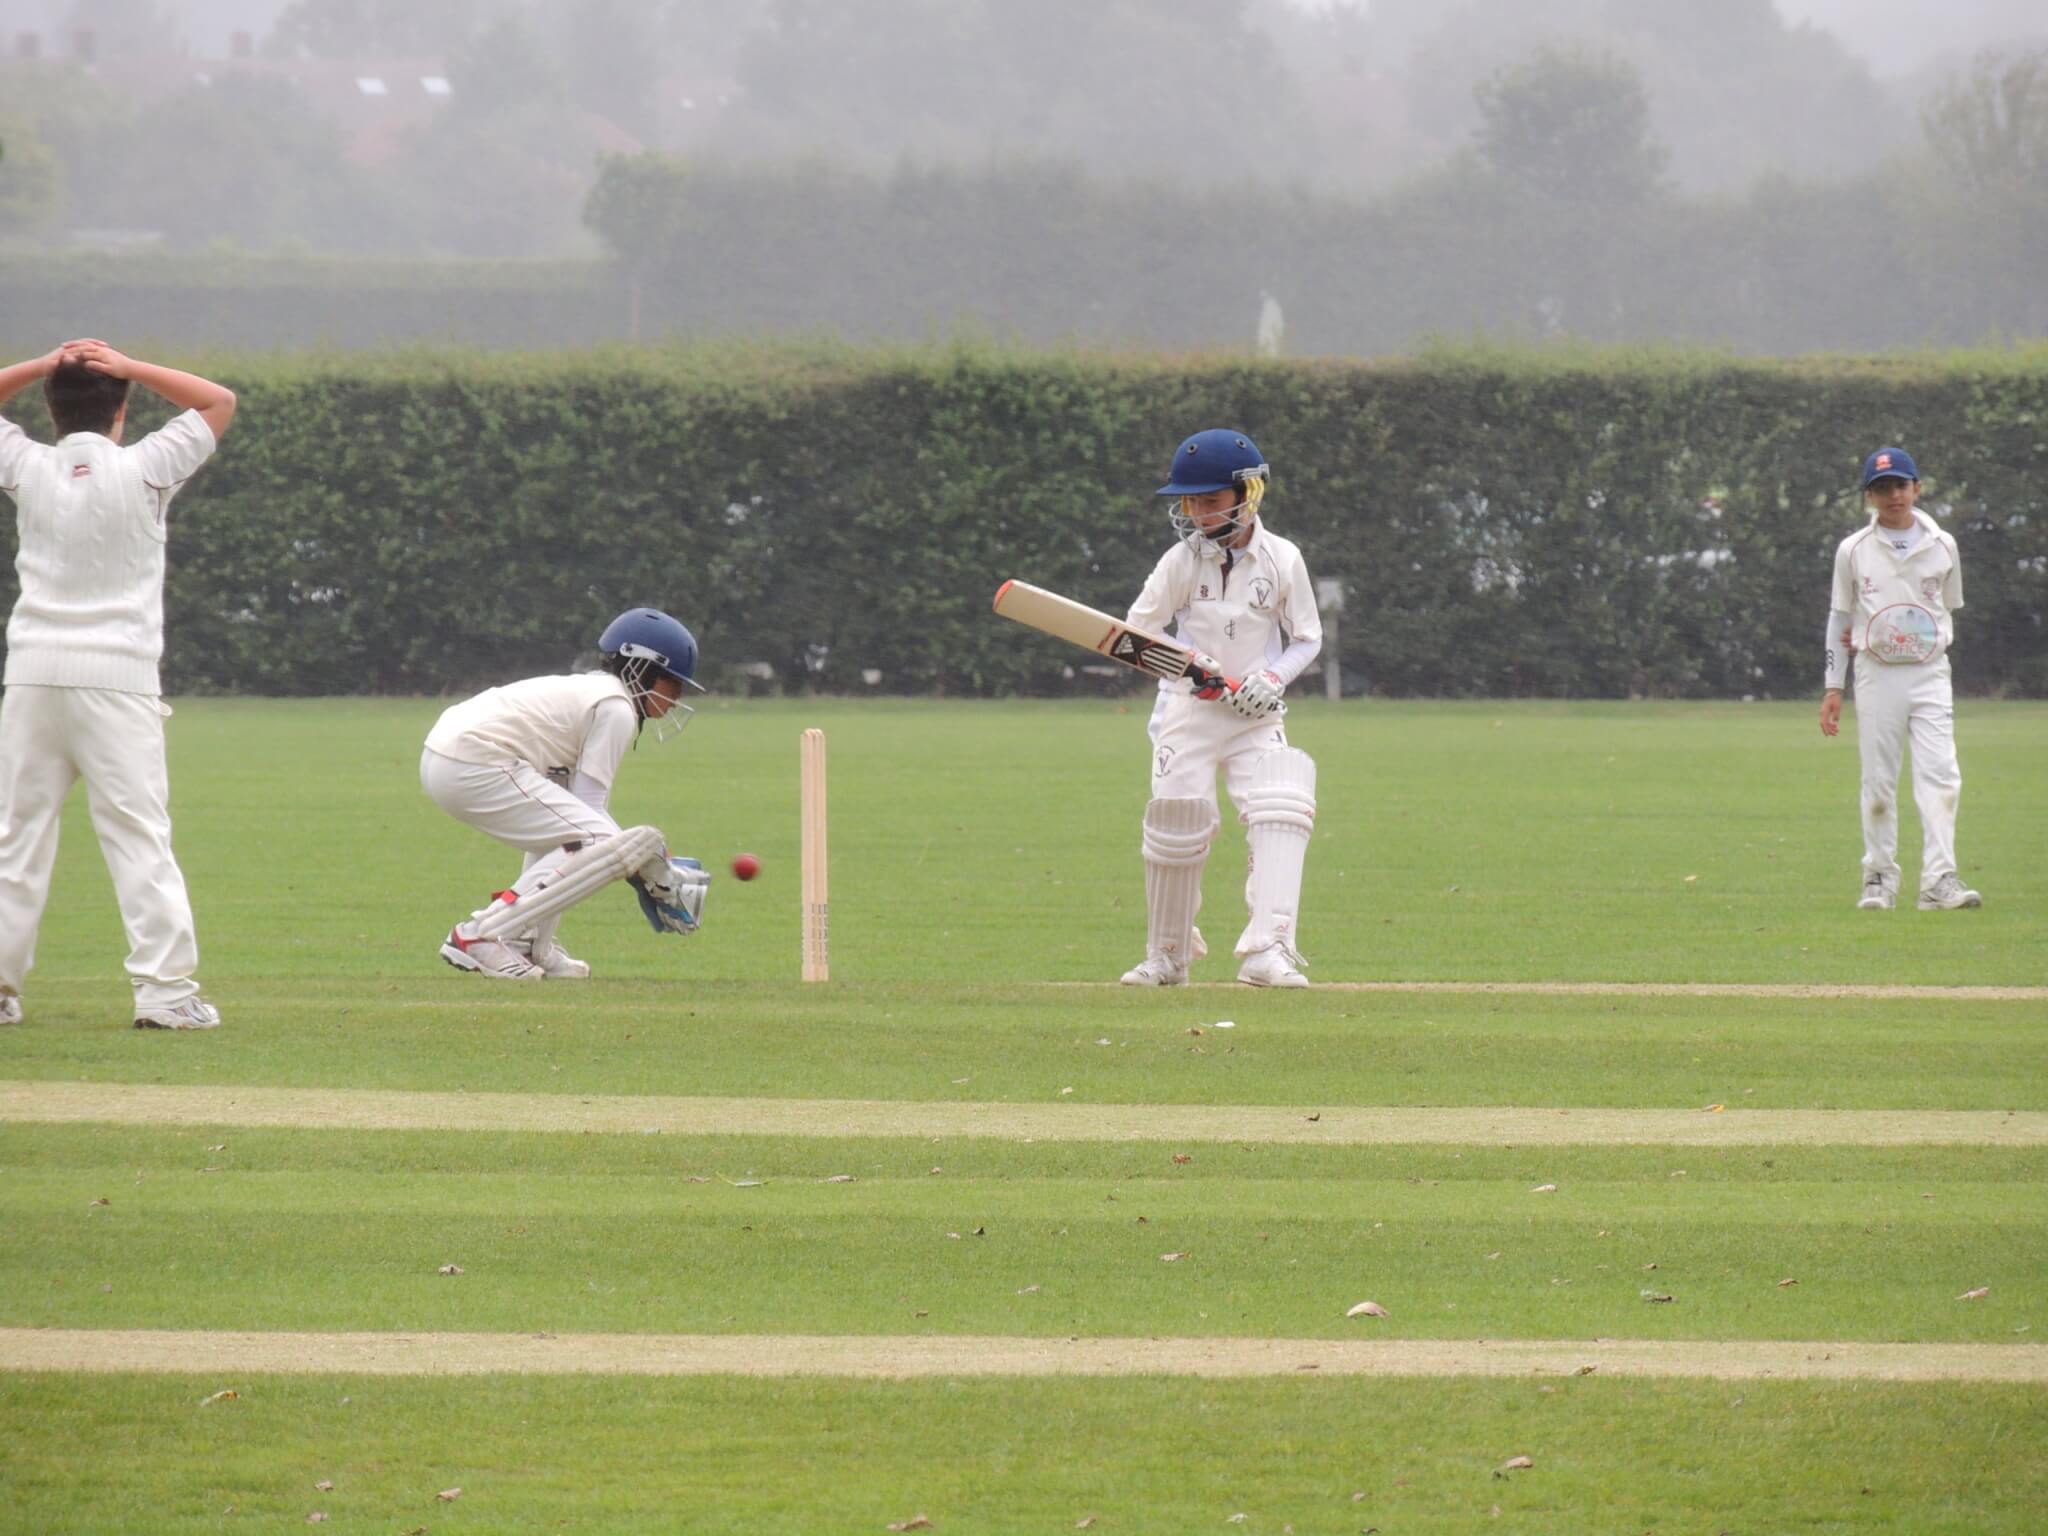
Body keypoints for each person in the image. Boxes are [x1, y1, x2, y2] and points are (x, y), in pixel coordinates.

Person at [0, 340, 236, 1030]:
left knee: (15, 835)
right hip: (119, 680)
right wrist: (129, 366)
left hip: (33, 676)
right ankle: (164, 995)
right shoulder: (146, 469)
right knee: (138, 836)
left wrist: (46, 364)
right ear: (124, 410)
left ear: (49, 408)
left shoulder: (29, 467)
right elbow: (218, 401)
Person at [1121, 429, 1324, 989]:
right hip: (1187, 712)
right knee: (1177, 824)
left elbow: (1307, 638)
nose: (1198, 514)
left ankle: (1268, 950)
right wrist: (1188, 665)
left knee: (1279, 811)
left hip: (1255, 714)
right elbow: (1137, 633)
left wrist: (1271, 678)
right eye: (1190, 503)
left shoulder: (1283, 559)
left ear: (1247, 494)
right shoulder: (1178, 563)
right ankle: (1167, 956)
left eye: (1209, 501)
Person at [421, 607, 712, 980]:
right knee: (593, 839)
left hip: (448, 757)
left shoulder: (595, 693)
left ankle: (531, 946)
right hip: (475, 759)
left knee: (574, 836)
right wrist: (654, 866)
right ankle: (481, 935)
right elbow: (593, 818)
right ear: (643, 668)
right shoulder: (616, 708)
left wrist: (644, 860)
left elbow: (576, 817)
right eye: (673, 682)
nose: (677, 696)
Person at [1819, 446, 1980, 911]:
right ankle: (1878, 878)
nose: (1894, 496)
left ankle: (1939, 880)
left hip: (1930, 673)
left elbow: (1945, 608)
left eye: (1901, 486)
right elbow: (1839, 618)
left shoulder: (1943, 544)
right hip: (1877, 674)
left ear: (1917, 488)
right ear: (1870, 496)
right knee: (1879, 782)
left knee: (1941, 777)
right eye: (1883, 488)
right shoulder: (1853, 550)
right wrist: (1833, 686)